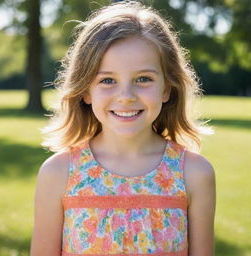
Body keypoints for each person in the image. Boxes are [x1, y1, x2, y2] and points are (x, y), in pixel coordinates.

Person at [30, 1, 216, 256]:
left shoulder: (194, 173)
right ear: (85, 91)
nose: (125, 96)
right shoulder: (58, 173)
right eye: (107, 80)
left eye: (143, 79)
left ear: (166, 88)